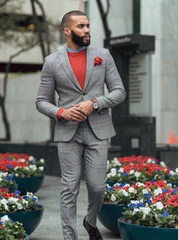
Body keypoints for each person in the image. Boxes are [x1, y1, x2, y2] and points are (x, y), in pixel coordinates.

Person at [36, 10, 126, 240]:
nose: (87, 30)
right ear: (67, 31)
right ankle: (70, 236)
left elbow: (119, 92)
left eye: (87, 25)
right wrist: (62, 112)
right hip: (68, 133)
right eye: (80, 26)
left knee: (97, 187)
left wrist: (94, 103)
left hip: (99, 130)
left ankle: (90, 219)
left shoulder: (103, 56)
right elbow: (41, 102)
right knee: (70, 187)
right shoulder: (52, 62)